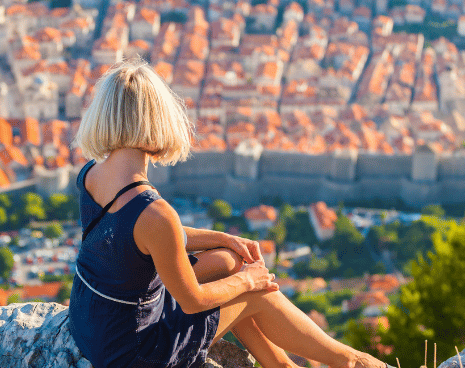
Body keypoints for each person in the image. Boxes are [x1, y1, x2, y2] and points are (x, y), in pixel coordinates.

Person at [68, 60, 388, 368]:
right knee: (255, 292)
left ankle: (279, 363)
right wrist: (247, 281)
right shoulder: (154, 213)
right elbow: (192, 299)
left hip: (92, 321)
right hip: (134, 354)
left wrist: (225, 240)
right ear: (159, 121)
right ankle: (347, 361)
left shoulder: (92, 175)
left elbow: (141, 234)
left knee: (227, 260)